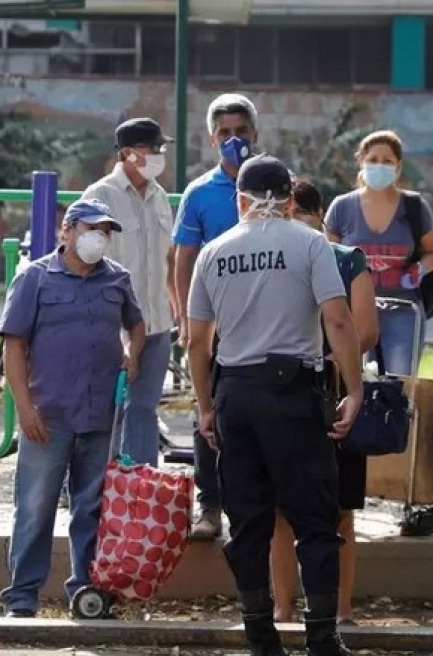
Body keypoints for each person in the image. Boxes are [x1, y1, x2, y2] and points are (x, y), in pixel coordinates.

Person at [186, 155, 364, 656]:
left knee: (248, 522)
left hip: (236, 394)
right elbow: (338, 320)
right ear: (289, 199)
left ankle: (261, 637)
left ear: (238, 200)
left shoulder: (213, 252)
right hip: (295, 394)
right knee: (314, 519)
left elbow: (198, 343)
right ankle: (322, 637)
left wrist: (205, 406)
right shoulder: (309, 243)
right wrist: (354, 388)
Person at [0, 199, 146, 618]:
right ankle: (22, 597)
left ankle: (87, 593)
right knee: (34, 507)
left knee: (93, 509)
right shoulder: (35, 277)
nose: (99, 237)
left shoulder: (117, 279)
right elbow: (14, 344)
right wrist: (24, 408)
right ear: (67, 231)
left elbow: (137, 324)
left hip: (100, 415)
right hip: (48, 416)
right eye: (90, 228)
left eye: (106, 230)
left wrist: (132, 353)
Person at [271, 179, 378, 626]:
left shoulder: (347, 260)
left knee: (339, 509)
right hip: (291, 393)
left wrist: (326, 360)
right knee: (281, 509)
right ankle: (282, 606)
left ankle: (340, 607)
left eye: (303, 214)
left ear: (319, 217)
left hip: (331, 393)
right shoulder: (274, 261)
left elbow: (365, 329)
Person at [173, 92, 260, 540]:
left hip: (267, 323)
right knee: (207, 413)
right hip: (214, 323)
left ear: (255, 134)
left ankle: (256, 508)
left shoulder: (275, 184)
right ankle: (210, 507)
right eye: (224, 133)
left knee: (258, 414)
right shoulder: (200, 193)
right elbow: (183, 260)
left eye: (240, 132)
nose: (233, 141)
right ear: (212, 139)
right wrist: (187, 320)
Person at [79, 117, 177, 467]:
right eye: (152, 148)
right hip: (116, 325)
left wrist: (175, 304)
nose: (159, 154)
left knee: (144, 409)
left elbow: (168, 256)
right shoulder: (100, 197)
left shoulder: (159, 196)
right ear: (128, 153)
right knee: (106, 409)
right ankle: (89, 486)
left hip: (157, 323)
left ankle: (139, 487)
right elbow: (86, 263)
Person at [324, 130, 433, 376]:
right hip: (355, 313)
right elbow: (326, 257)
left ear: (398, 167)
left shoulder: (415, 207)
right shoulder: (342, 207)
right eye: (373, 159)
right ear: (361, 162)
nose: (379, 166)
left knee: (399, 382)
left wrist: (419, 269)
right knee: (355, 381)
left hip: (403, 310)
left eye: (387, 161)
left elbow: (431, 253)